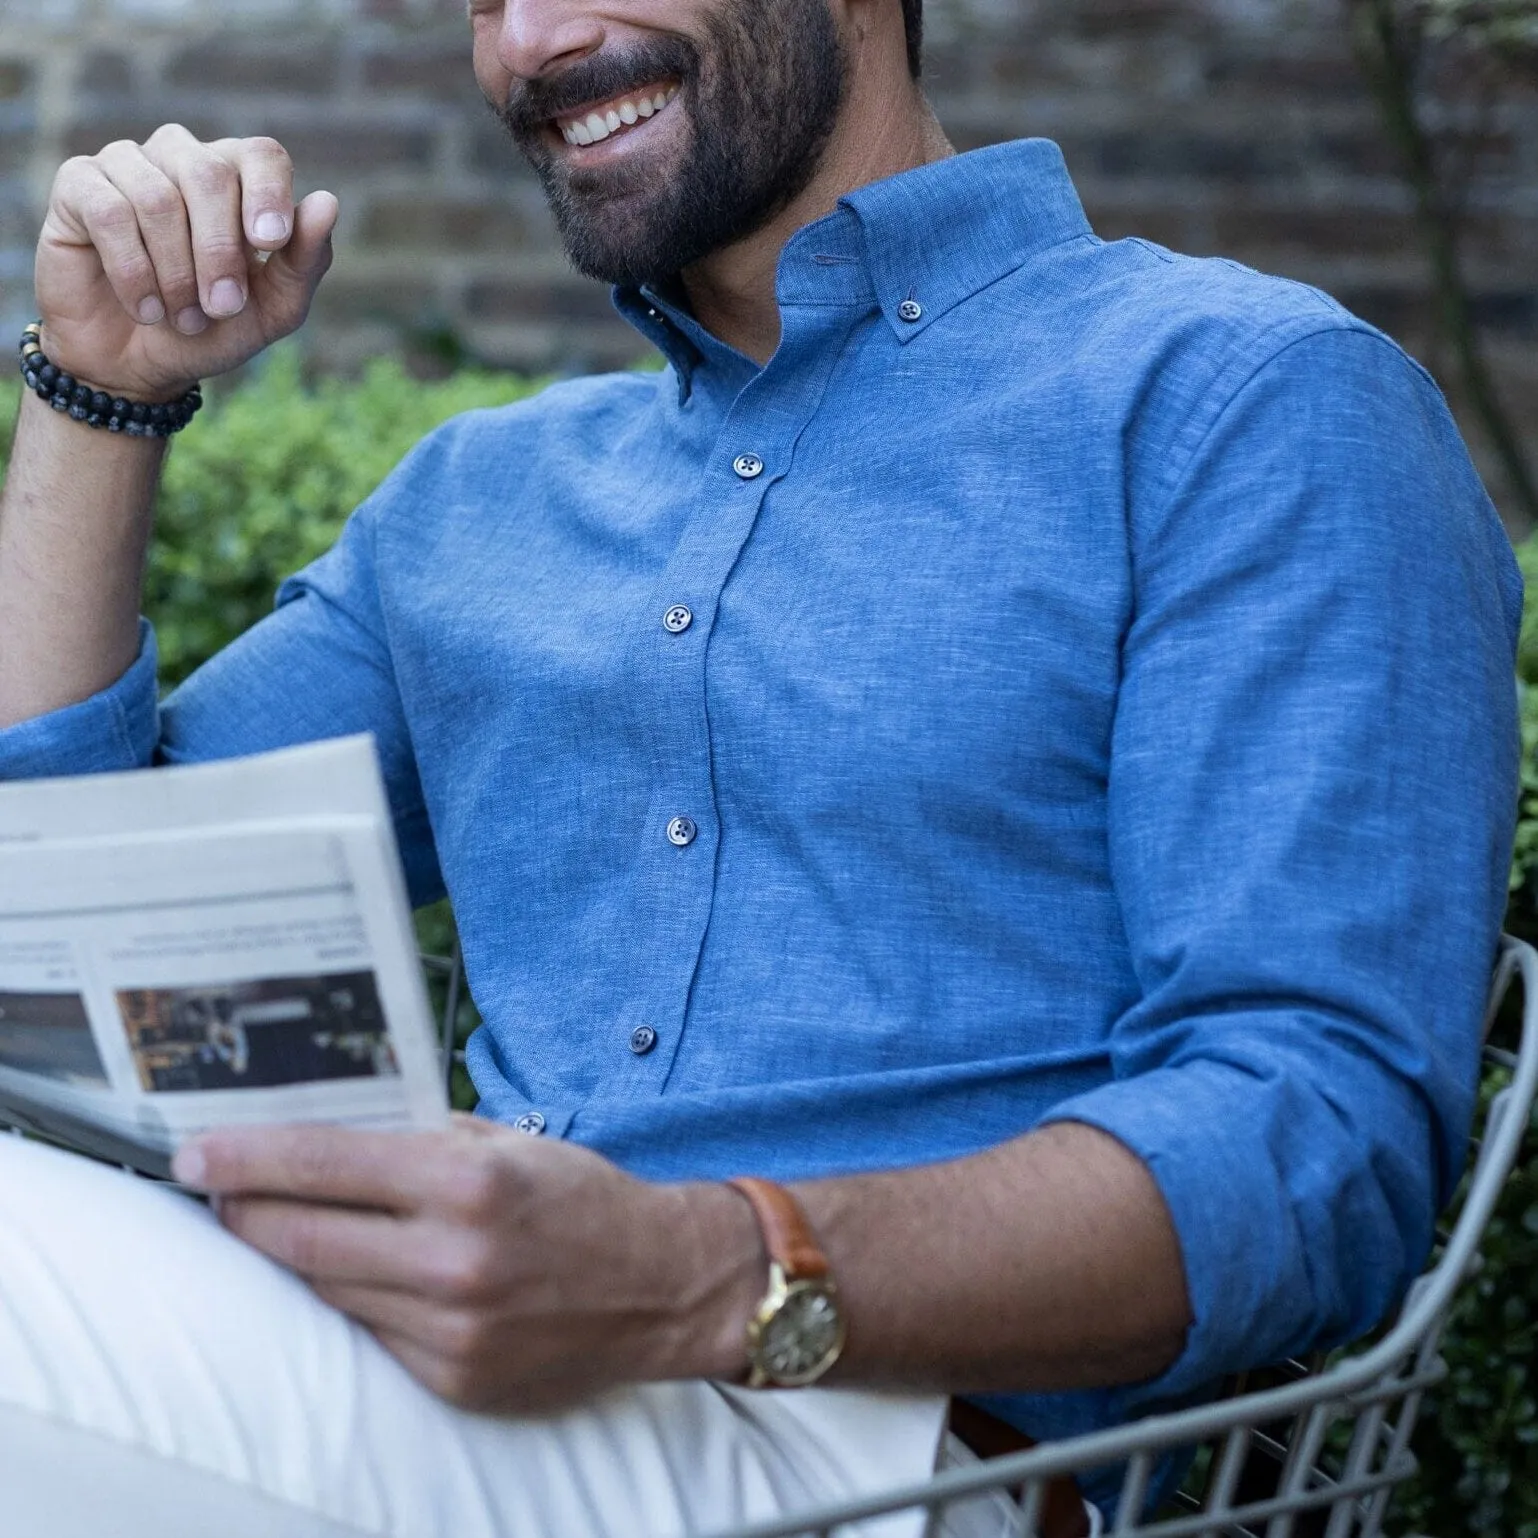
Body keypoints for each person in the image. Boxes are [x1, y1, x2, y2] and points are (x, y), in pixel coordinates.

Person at [0, 0, 1521, 1533]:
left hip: (891, 1460)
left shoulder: (1240, 406)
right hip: (403, 1388)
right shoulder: (476, 504)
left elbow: (1317, 1146)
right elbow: (55, 927)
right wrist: (100, 391)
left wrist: (699, 1269)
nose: (529, 40)